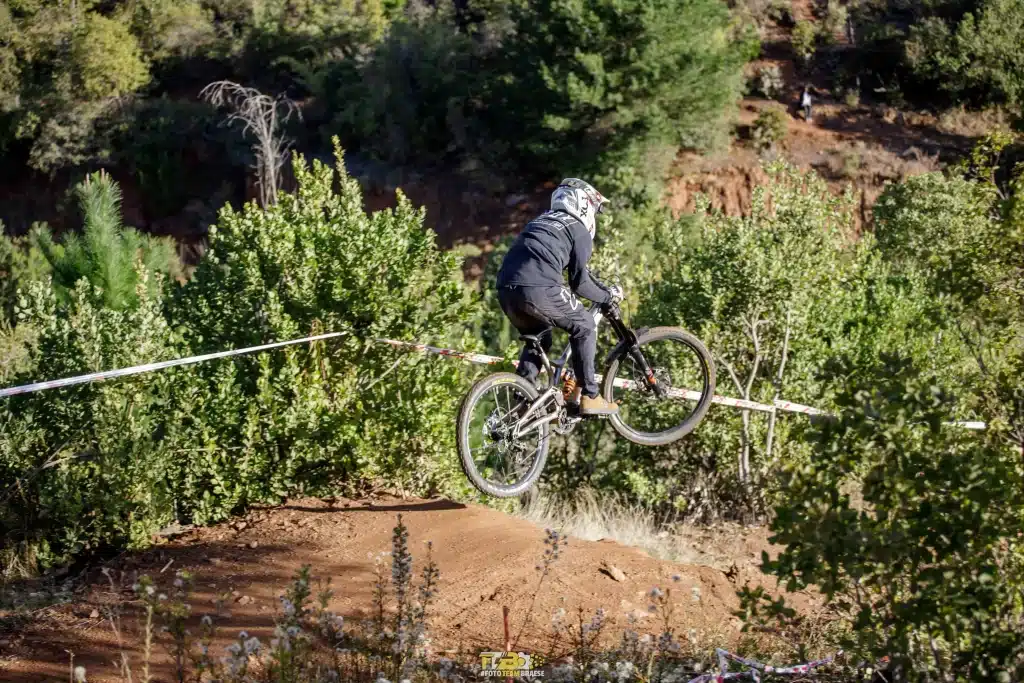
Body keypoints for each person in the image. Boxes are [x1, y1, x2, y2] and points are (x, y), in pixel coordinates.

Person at [496, 178, 623, 417]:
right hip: (538, 287)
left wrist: (602, 290)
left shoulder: (540, 221)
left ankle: (524, 399)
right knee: (584, 325)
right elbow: (579, 283)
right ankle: (590, 396)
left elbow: (581, 275)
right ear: (584, 204)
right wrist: (607, 297)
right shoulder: (578, 231)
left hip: (505, 287)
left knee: (539, 337)